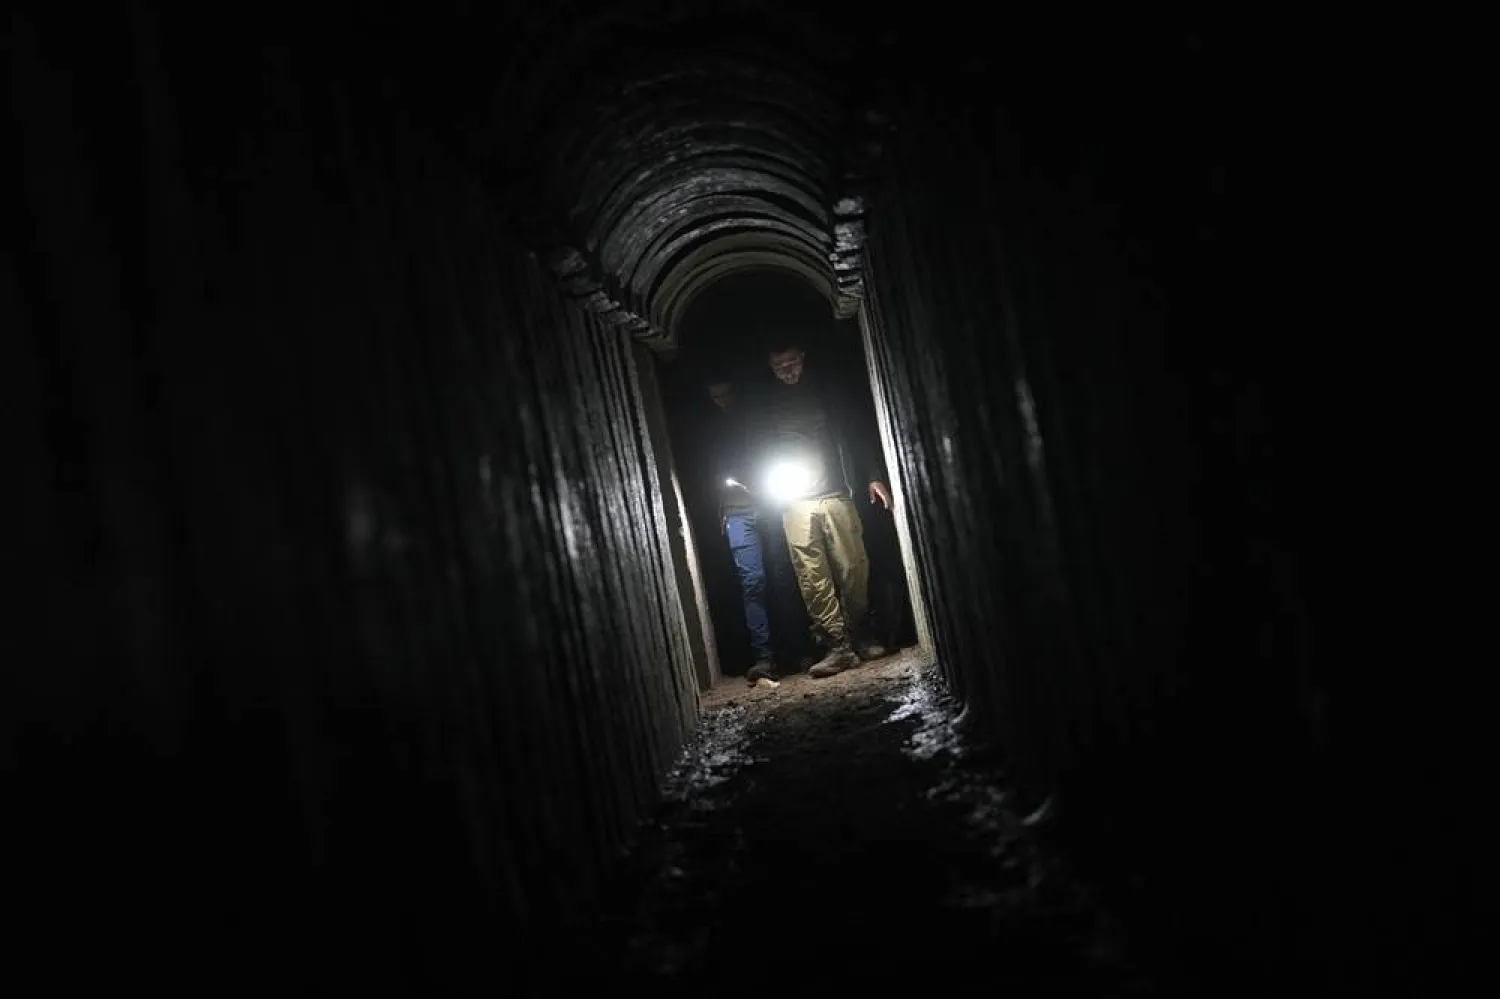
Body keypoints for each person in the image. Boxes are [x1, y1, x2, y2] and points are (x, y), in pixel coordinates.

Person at [762, 340, 891, 677]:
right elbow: (753, 448)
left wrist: (873, 476)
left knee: (853, 568)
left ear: (803, 356)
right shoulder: (766, 404)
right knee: (812, 577)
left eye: (792, 362)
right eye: (779, 366)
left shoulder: (828, 391)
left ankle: (858, 631)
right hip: (794, 500)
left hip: (836, 491)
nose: (787, 371)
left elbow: (856, 433)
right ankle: (838, 646)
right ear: (770, 367)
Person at [706, 376, 780, 685]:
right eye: (716, 396)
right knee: (753, 581)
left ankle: (801, 649)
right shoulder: (711, 429)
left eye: (726, 393)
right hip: (737, 512)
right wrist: (721, 507)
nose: (722, 400)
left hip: (771, 504)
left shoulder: (758, 416)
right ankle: (764, 657)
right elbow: (711, 472)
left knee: (785, 576)